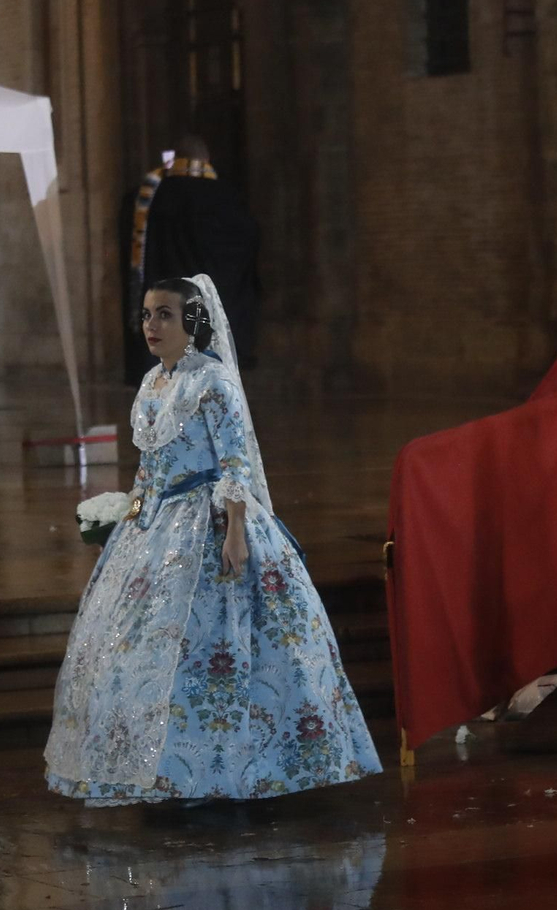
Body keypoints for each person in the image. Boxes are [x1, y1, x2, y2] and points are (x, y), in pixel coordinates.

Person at [45, 275, 379, 803]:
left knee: (219, 648)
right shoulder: (153, 384)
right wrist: (123, 517)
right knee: (142, 648)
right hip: (158, 528)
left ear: (192, 324)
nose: (151, 325)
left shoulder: (213, 382)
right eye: (148, 314)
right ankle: (163, 773)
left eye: (165, 315)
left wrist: (237, 532)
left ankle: (230, 773)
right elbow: (148, 473)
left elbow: (234, 465)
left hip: (213, 524)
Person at [135, 137, 261, 373]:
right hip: (213, 306)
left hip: (166, 308)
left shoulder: (151, 197)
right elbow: (248, 242)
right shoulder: (227, 198)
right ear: (206, 160)